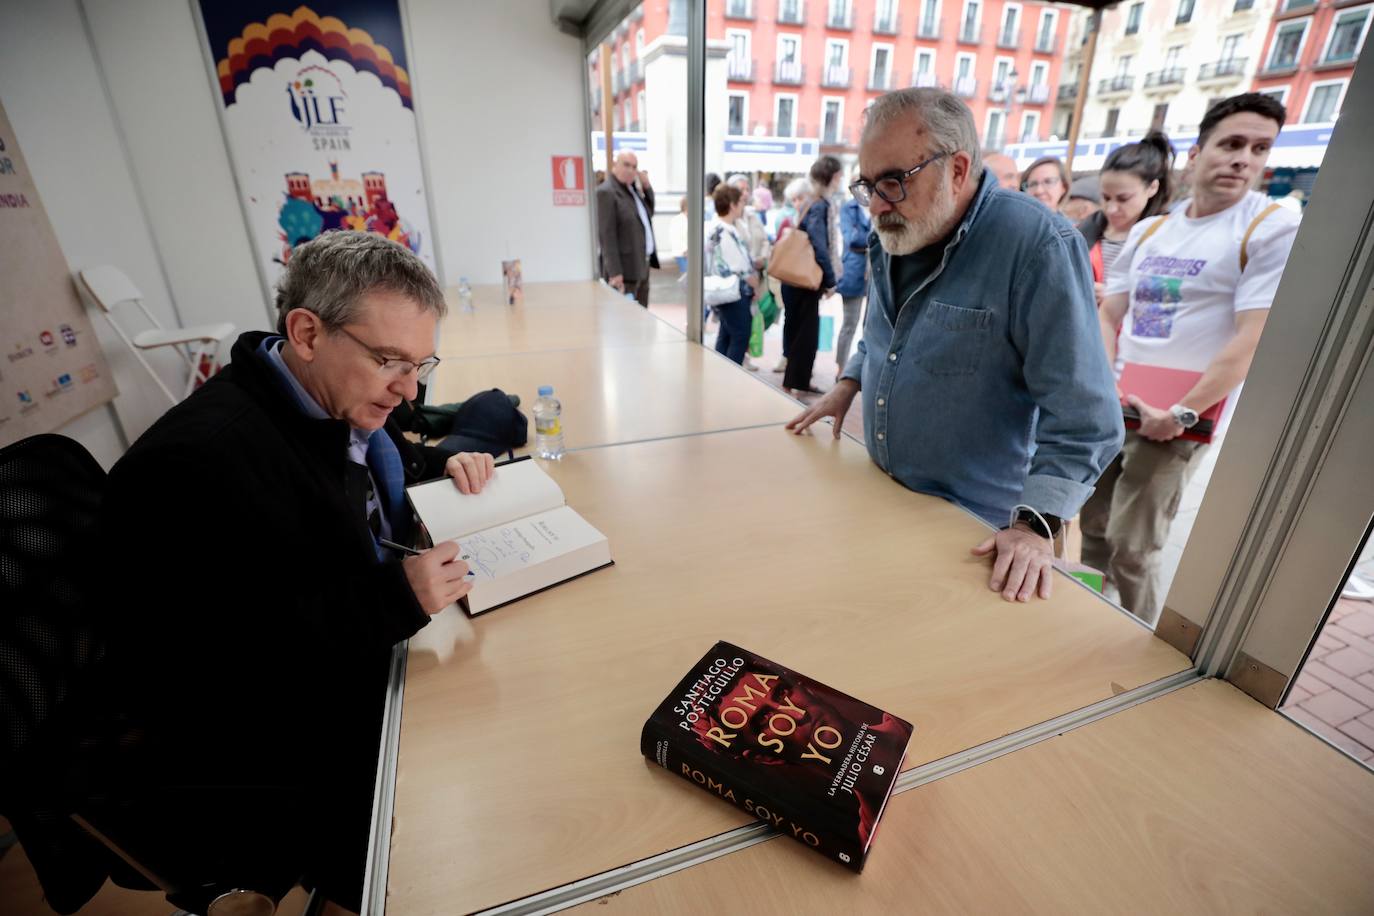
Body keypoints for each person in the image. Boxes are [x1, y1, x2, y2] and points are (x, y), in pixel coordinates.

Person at [47, 231, 497, 910]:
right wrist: (392, 600)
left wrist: (439, 467)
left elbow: (362, 477)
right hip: (245, 745)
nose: (408, 392)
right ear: (307, 332)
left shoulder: (324, 402)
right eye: (389, 361)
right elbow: (212, 665)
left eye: (421, 364)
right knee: (466, 793)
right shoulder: (197, 466)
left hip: (360, 655)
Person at [786, 88, 1122, 603]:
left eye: (894, 182)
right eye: (868, 184)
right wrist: (849, 383)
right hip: (885, 497)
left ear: (958, 169)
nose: (876, 204)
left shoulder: (1037, 246)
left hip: (976, 537)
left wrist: (1035, 527)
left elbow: (1086, 418)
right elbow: (885, 327)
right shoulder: (895, 228)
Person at [1084, 93, 1300, 624]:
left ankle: (1141, 653)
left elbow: (1251, 339)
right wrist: (1105, 387)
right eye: (1230, 144)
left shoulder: (1268, 227)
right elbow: (1110, 315)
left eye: (1258, 148)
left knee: (1134, 550)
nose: (1243, 159)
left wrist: (1182, 413)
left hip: (1179, 418)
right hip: (1118, 404)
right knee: (1090, 534)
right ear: (1198, 151)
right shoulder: (1153, 229)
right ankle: (1082, 624)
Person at [1076, 131, 1174, 309]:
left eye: (1123, 199)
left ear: (1152, 187)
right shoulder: (1083, 231)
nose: (1112, 208)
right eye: (1105, 197)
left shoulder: (1168, 236)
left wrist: (1115, 297)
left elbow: (1168, 302)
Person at [780, 156, 842, 395]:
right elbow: (819, 243)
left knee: (798, 330)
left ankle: (796, 380)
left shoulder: (812, 203)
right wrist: (830, 279)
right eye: (838, 175)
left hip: (794, 279)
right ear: (831, 177)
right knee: (805, 334)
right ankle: (797, 381)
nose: (840, 180)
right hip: (804, 281)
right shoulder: (821, 205)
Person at [596, 150, 659, 306]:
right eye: (626, 165)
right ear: (615, 166)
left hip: (641, 265)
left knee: (642, 316)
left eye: (634, 167)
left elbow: (648, 213)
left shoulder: (632, 190)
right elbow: (606, 235)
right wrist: (615, 272)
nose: (631, 170)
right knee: (625, 320)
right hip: (624, 271)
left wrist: (647, 187)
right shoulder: (607, 192)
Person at [704, 185, 758, 364]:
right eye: (741, 202)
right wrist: (751, 279)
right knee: (740, 335)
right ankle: (730, 377)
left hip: (727, 290)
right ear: (732, 205)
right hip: (734, 290)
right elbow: (736, 264)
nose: (743, 206)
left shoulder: (719, 227)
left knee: (726, 334)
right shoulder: (723, 231)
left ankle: (721, 376)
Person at [835, 183, 872, 378]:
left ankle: (864, 372)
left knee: (871, 326)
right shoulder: (848, 208)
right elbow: (852, 239)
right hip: (853, 272)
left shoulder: (879, 204)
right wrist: (874, 239)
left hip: (875, 273)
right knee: (849, 324)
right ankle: (841, 370)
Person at [727, 174, 773, 270]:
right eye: (742, 190)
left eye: (747, 190)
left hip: (757, 273)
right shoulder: (727, 219)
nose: (746, 193)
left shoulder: (753, 216)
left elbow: (765, 241)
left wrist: (763, 258)